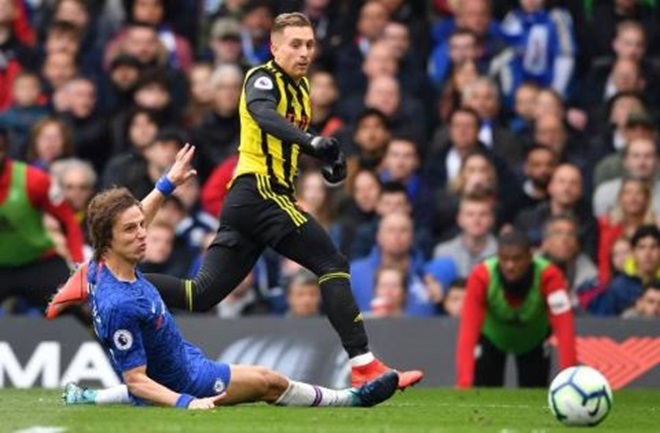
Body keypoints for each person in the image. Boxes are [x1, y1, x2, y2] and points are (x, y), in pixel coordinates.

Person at [49, 12, 422, 390]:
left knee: (200, 293)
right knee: (331, 262)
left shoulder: (302, 89)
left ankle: (98, 277)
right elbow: (262, 115)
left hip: (252, 201)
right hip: (259, 192)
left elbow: (285, 139)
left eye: (309, 44)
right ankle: (364, 365)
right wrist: (311, 141)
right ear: (274, 47)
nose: (304, 51)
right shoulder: (262, 77)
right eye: (295, 44)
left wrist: (327, 159)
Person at [61, 146, 398, 409]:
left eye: (140, 226)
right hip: (191, 381)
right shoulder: (118, 302)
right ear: (108, 240)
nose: (143, 234)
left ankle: (89, 398)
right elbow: (136, 381)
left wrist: (167, 183)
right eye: (131, 230)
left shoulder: (113, 264)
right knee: (269, 381)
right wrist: (186, 402)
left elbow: (134, 216)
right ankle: (352, 399)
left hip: (186, 361)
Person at [456, 230, 577, 388]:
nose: (510, 265)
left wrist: (571, 379)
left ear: (530, 257)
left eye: (517, 259)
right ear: (497, 257)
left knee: (536, 397)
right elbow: (468, 331)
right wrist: (464, 383)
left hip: (534, 341)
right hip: (492, 340)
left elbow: (564, 329)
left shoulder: (550, 276)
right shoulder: (481, 276)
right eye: (504, 259)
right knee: (484, 396)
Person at [0, 126, 84, 319]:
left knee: (78, 306)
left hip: (38, 263)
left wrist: (79, 265)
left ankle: (107, 346)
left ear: (5, 150)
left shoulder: (34, 180)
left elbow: (68, 221)